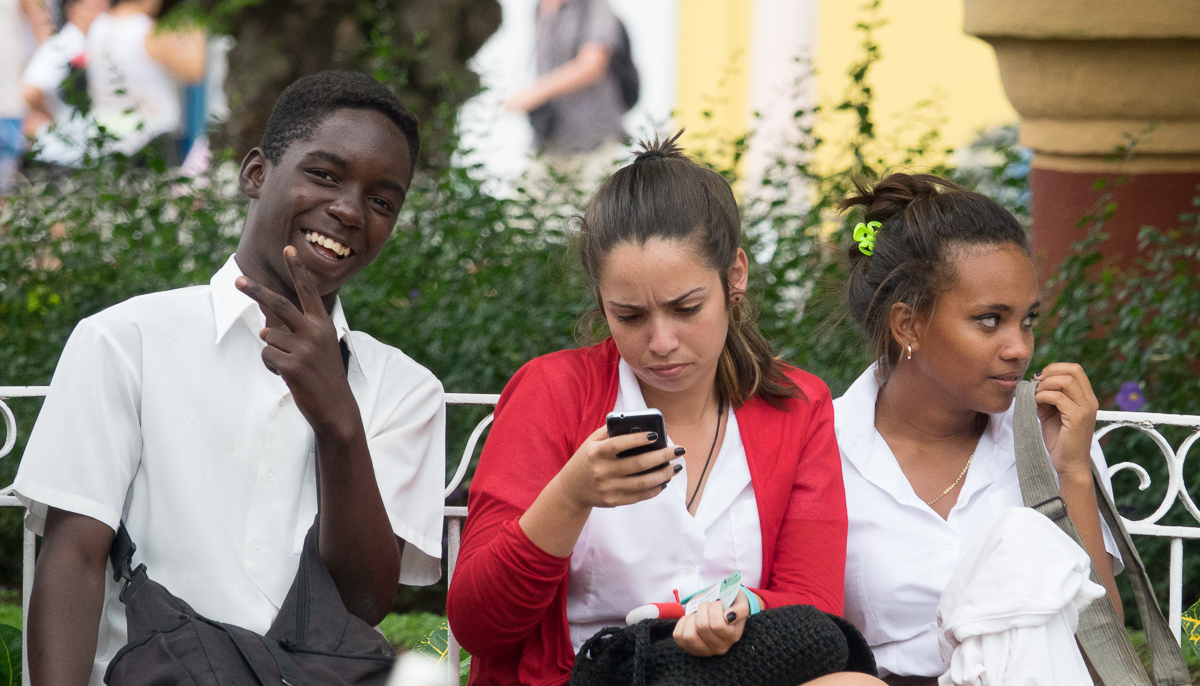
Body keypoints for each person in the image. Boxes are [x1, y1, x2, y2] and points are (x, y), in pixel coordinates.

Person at [13, 70, 446, 686]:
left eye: (382, 200)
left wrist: (338, 421)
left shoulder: (405, 389)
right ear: (255, 174)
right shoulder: (127, 341)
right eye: (324, 174)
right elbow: (74, 558)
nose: (350, 209)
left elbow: (363, 604)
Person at [447, 133, 881, 686]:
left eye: (686, 308)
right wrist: (571, 494)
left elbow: (814, 607)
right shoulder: (552, 392)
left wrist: (741, 606)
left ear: (735, 277)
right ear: (602, 304)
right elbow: (478, 628)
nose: (661, 341)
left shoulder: (795, 407)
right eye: (629, 316)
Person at [833, 173, 1123, 683]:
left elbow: (1102, 652)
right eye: (990, 320)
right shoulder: (824, 449)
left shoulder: (1049, 439)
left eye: (1027, 320)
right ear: (909, 325)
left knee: (1021, 539)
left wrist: (1072, 473)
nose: (1019, 347)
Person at [503, 0, 628, 184]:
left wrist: (534, 93)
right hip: (549, 140)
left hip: (593, 140)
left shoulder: (593, 5)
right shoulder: (539, 8)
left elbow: (592, 64)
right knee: (525, 207)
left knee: (598, 209)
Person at [85, 0, 205, 162]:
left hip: (104, 137)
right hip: (150, 140)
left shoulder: (99, 25)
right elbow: (194, 71)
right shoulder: (149, 31)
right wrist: (199, 23)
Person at [21, 0, 110, 168]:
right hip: (61, 155)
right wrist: (54, 117)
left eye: (103, 8)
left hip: (83, 152)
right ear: (72, 9)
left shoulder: (93, 43)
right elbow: (30, 90)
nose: (100, 15)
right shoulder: (63, 45)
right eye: (93, 8)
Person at [1, 0, 55, 193]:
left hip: (10, 109)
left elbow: (46, 38)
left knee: (6, 202)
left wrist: (41, 104)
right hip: (10, 109)